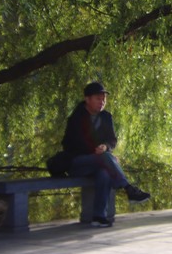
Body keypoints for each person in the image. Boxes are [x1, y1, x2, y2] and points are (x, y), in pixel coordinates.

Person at [60, 81, 151, 227]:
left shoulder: (106, 117)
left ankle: (98, 217)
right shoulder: (76, 118)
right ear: (87, 99)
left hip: (99, 162)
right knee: (106, 158)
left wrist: (105, 147)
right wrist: (94, 151)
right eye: (98, 98)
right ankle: (128, 188)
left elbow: (112, 140)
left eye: (104, 99)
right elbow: (67, 144)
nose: (102, 102)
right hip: (77, 163)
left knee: (104, 173)